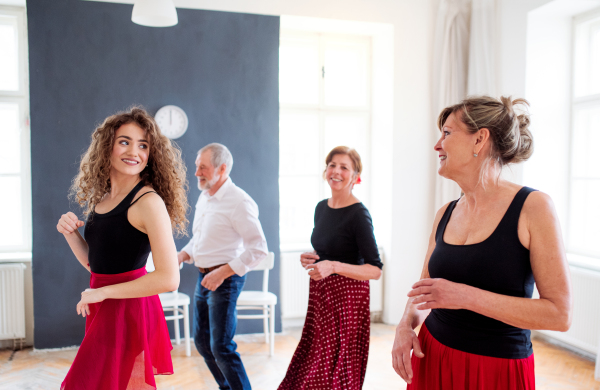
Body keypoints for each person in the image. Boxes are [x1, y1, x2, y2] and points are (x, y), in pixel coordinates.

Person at [391, 96, 573, 390]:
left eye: (447, 133)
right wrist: (404, 325)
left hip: (495, 370)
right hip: (432, 354)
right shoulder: (445, 213)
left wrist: (464, 296)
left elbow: (559, 315)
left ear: (480, 140)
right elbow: (425, 289)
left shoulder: (534, 207)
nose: (437, 145)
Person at [56, 107, 189, 390]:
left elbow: (168, 278)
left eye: (143, 145)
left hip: (128, 311)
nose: (134, 151)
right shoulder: (102, 198)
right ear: (108, 147)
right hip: (103, 306)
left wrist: (102, 293)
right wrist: (71, 234)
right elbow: (98, 266)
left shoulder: (148, 202)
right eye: (125, 141)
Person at [278, 146, 383, 390]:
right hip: (321, 295)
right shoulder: (321, 208)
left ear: (356, 176)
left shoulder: (359, 214)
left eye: (344, 167)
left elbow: (375, 270)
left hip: (347, 300)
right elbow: (330, 250)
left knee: (329, 365)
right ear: (325, 170)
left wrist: (333, 266)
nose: (336, 171)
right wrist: (313, 258)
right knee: (314, 358)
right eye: (332, 165)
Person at [178, 143, 268, 390]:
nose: (197, 173)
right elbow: (201, 237)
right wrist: (183, 254)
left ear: (222, 168)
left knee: (221, 346)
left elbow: (258, 249)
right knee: (203, 343)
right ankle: (226, 387)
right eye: (197, 166)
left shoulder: (239, 201)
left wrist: (222, 273)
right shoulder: (205, 196)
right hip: (203, 277)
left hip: (225, 279)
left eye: (203, 167)